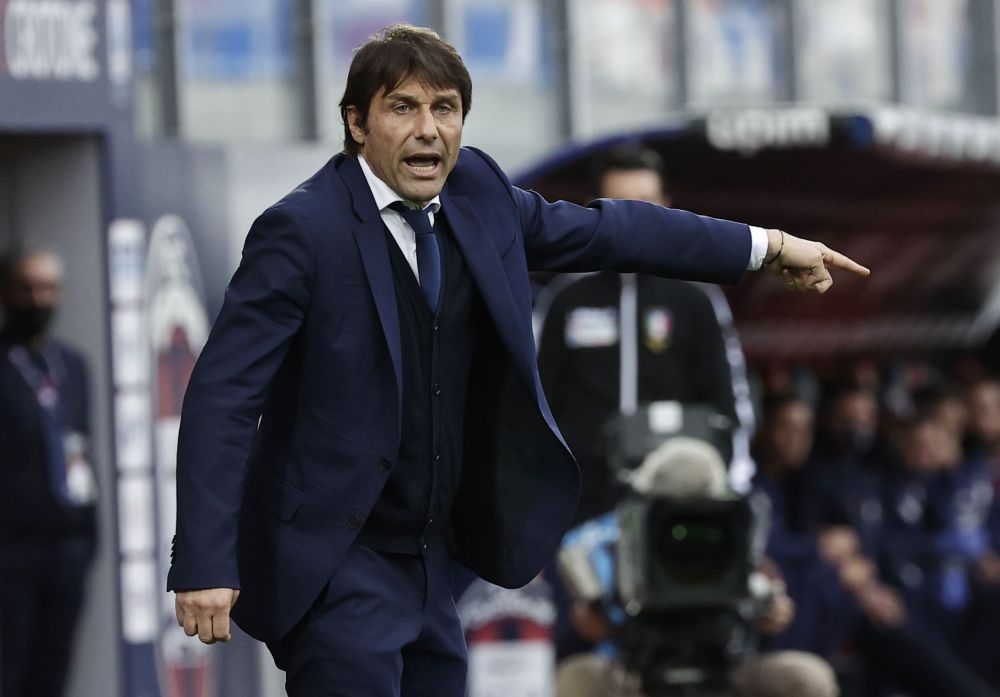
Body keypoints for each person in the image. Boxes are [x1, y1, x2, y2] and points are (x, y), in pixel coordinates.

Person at [166, 24, 869, 697]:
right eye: (402, 108)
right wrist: (203, 558)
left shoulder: (479, 195)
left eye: (445, 108)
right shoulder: (300, 230)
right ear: (357, 124)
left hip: (433, 558)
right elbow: (224, 397)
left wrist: (767, 245)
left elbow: (612, 231)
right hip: (334, 555)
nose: (428, 129)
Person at [536, 145, 755, 526]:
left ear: (667, 206)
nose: (635, 221)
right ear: (592, 209)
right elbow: (533, 402)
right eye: (619, 206)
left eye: (647, 204)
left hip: (676, 509)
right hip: (579, 513)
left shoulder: (697, 297)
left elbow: (729, 401)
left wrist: (728, 487)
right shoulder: (565, 297)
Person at [0, 248, 98, 697]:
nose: (39, 299)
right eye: (28, 288)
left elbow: (82, 449)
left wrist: (88, 539)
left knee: (53, 674)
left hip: (68, 547)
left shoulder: (72, 366)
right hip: (13, 552)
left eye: (48, 288)